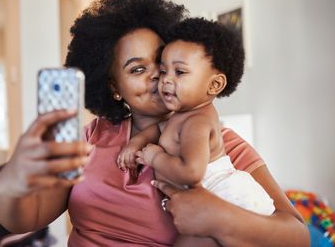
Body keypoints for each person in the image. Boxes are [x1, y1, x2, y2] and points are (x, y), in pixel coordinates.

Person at [0, 0, 310, 246]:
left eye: (162, 60)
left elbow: (297, 236)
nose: (159, 75)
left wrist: (218, 216)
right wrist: (16, 177)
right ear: (114, 86)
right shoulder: (92, 137)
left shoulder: (217, 143)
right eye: (138, 69)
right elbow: (25, 218)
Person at [117, 17, 275, 246]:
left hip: (224, 198)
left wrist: (155, 157)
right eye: (164, 71)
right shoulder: (184, 115)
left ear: (214, 85)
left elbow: (191, 172)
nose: (165, 80)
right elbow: (158, 129)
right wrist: (135, 143)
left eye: (179, 72)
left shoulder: (197, 122)